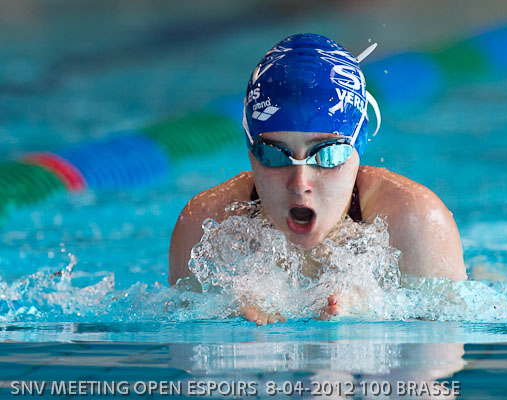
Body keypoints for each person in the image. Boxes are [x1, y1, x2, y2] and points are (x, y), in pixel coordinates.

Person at [169, 33, 467, 325]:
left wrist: (369, 321)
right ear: (250, 152)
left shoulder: (416, 222)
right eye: (273, 154)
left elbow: (449, 338)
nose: (300, 183)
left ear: (358, 148)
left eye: (327, 154)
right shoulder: (204, 224)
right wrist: (229, 321)